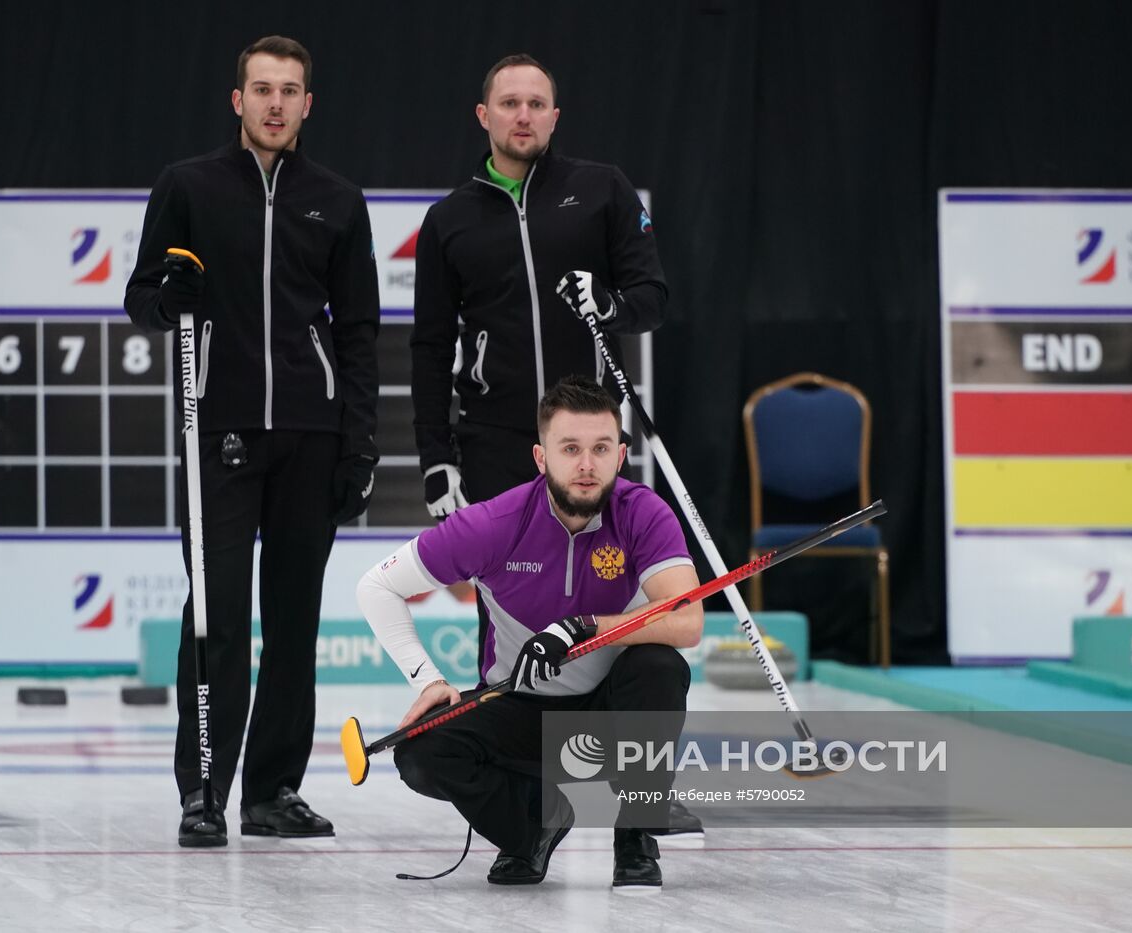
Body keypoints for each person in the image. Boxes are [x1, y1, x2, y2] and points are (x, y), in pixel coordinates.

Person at [409, 51, 705, 841]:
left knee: (622, 609)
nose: (524, 116)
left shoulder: (601, 188)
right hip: (498, 439)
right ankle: (520, 785)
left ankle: (635, 782)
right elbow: (429, 345)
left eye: (538, 103)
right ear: (485, 116)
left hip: (584, 438)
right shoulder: (450, 220)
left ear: (555, 115)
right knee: (502, 614)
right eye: (509, 103)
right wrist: (434, 453)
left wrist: (606, 300)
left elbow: (652, 298)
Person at [125, 35, 380, 847]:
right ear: (238, 100)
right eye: (262, 89)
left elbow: (361, 332)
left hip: (312, 434)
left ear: (309, 104)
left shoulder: (337, 199)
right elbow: (141, 300)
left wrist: (359, 442)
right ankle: (203, 790)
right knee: (218, 618)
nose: (276, 103)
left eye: (291, 90)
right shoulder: (188, 186)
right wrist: (172, 298)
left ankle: (273, 791)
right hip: (221, 432)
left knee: (295, 619)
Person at [356, 376, 700, 889]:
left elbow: (686, 621)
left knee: (658, 665)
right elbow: (376, 586)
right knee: (420, 754)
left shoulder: (642, 513)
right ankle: (532, 829)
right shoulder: (494, 523)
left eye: (601, 448)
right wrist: (426, 680)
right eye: (570, 449)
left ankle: (634, 833)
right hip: (519, 707)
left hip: (609, 708)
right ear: (541, 458)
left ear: (621, 454)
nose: (587, 465)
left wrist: (585, 627)